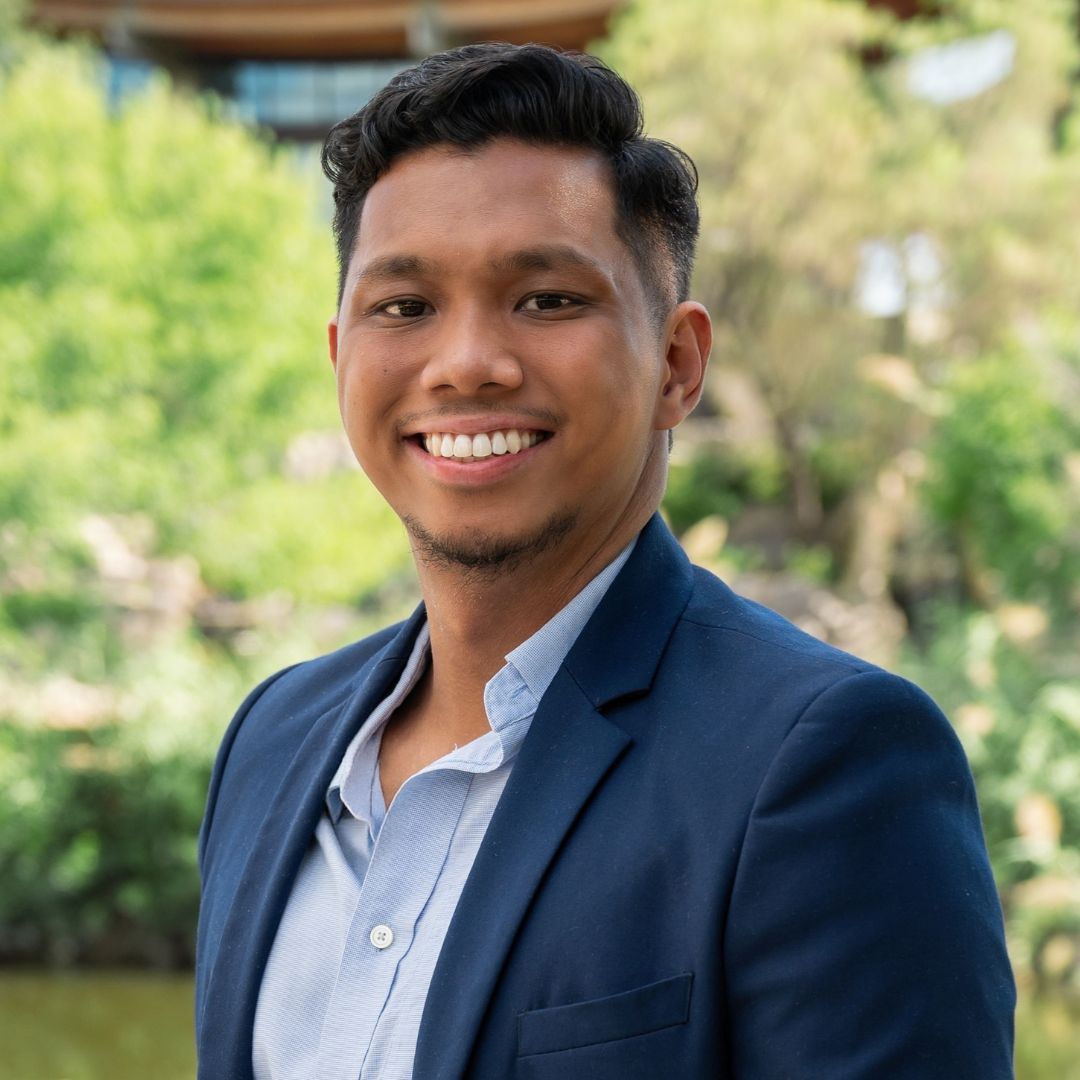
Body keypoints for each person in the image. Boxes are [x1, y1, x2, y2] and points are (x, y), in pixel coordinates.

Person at [195, 42, 1015, 1080]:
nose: (467, 365)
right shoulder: (272, 742)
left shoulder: (822, 766)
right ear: (341, 356)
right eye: (405, 307)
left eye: (546, 299)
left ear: (677, 364)